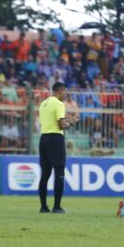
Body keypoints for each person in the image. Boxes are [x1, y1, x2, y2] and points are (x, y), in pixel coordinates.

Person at [38, 82, 78, 214]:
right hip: (55, 138)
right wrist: (71, 122)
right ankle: (57, 207)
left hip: (43, 138)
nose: (65, 95)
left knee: (45, 174)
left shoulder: (43, 103)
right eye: (64, 92)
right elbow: (61, 125)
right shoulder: (59, 104)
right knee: (59, 171)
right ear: (60, 91)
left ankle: (43, 207)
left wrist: (65, 120)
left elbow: (50, 121)